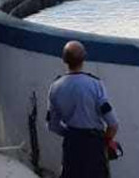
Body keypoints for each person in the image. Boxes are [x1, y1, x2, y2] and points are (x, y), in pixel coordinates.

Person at [47, 41, 120, 178]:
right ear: (84, 58)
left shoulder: (55, 87)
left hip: (71, 146)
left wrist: (71, 134)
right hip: (93, 146)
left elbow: (52, 125)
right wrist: (105, 141)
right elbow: (113, 123)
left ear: (64, 59)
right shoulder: (95, 84)